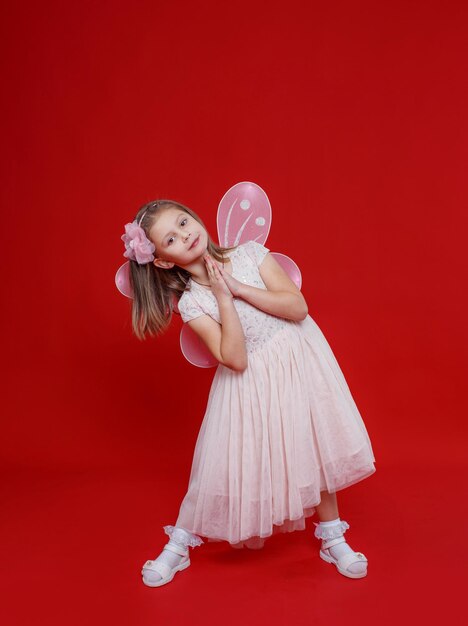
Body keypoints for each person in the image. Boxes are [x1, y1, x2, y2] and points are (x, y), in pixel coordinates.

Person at [120, 199, 377, 587]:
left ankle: (333, 537)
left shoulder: (250, 255)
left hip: (300, 364)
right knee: (218, 464)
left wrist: (237, 286)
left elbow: (297, 307)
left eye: (184, 222)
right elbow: (235, 359)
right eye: (170, 238)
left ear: (196, 218)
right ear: (162, 260)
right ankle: (178, 548)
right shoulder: (193, 303)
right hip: (249, 384)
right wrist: (223, 298)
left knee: (315, 445)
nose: (186, 235)